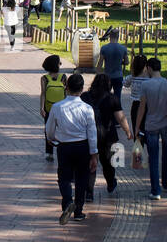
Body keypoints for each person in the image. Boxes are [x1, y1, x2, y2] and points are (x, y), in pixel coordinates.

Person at [44, 73, 98, 223]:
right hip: (83, 146)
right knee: (82, 178)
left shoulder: (57, 107)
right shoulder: (87, 108)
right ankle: (79, 211)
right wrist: (94, 153)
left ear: (66, 87)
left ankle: (68, 202)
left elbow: (49, 129)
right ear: (82, 89)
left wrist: (52, 139)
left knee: (64, 177)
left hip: (64, 147)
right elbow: (92, 133)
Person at [82, 72, 133, 198]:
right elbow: (120, 118)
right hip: (108, 135)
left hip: (88, 134)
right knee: (108, 163)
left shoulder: (85, 97)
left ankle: (89, 191)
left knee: (90, 162)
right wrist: (127, 131)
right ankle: (111, 183)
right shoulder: (112, 98)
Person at [133, 58, 167, 200]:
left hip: (151, 126)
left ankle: (156, 191)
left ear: (149, 68)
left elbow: (142, 108)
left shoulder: (146, 85)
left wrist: (137, 127)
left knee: (154, 158)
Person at [40, 53, 68, 161]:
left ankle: (49, 152)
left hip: (48, 108)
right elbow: (66, 93)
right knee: (62, 129)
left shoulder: (44, 78)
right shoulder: (63, 77)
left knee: (48, 129)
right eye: (59, 63)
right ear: (56, 65)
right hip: (61, 109)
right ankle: (62, 149)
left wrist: (41, 108)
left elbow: (43, 93)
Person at [97, 28, 129, 105]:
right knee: (117, 96)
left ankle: (106, 113)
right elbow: (127, 62)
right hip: (118, 76)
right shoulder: (123, 48)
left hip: (107, 76)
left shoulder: (104, 48)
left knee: (105, 96)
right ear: (118, 36)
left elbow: (100, 63)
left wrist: (98, 74)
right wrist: (121, 62)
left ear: (110, 36)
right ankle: (117, 113)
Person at [127, 54, 150, 146]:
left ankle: (138, 156)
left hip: (136, 106)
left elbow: (125, 83)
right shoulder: (148, 78)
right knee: (147, 129)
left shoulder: (132, 77)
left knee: (137, 130)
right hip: (148, 106)